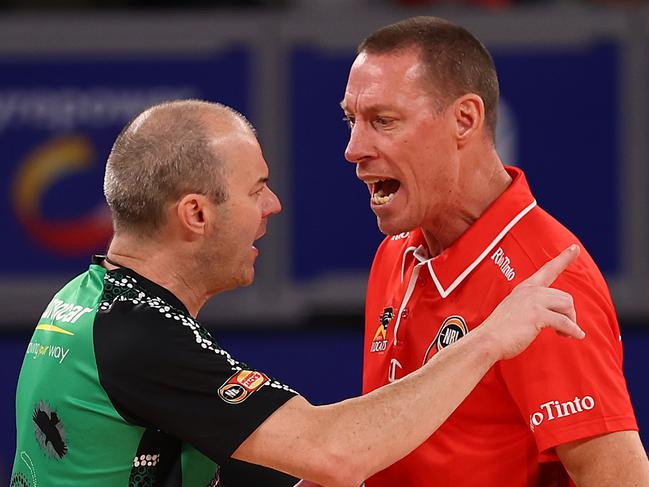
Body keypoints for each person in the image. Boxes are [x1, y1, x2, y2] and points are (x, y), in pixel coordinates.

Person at [11, 100, 584, 487]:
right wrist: (488, 340)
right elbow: (334, 452)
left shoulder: (88, 300)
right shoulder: (140, 338)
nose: (272, 206)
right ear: (196, 214)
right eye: (256, 189)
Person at [340, 16, 649, 487]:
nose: (354, 148)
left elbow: (618, 477)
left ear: (465, 119)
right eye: (351, 120)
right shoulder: (395, 253)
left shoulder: (543, 280)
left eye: (383, 121)